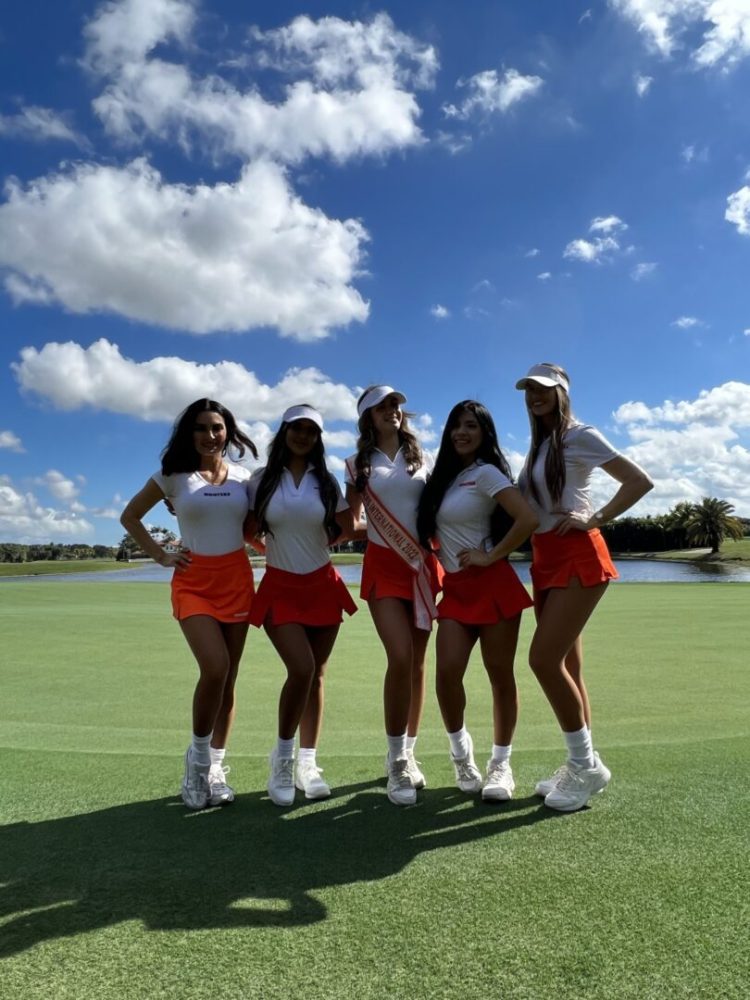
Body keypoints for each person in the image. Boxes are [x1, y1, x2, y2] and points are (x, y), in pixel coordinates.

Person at [515, 363, 653, 811]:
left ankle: (586, 766)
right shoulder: (539, 446)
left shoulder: (580, 435)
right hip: (545, 559)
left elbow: (638, 481)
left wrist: (595, 518)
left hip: (577, 554)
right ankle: (582, 764)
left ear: (562, 394)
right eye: (529, 390)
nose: (535, 396)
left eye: (544, 390)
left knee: (542, 659)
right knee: (569, 669)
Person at [120, 398, 257, 810]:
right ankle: (196, 763)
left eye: (217, 428)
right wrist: (161, 555)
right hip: (194, 583)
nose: (210, 435)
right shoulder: (172, 476)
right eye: (201, 428)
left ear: (227, 432)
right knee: (214, 667)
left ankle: (215, 767)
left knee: (228, 680)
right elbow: (130, 516)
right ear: (189, 433)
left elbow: (252, 529)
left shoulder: (245, 479)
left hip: (237, 579)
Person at [417, 401, 538, 800]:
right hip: (455, 588)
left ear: (484, 433)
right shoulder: (443, 479)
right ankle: (461, 753)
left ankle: (501, 766)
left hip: (493, 584)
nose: (461, 432)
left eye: (470, 426)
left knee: (500, 675)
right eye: (456, 426)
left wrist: (492, 554)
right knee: (447, 672)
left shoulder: (486, 473)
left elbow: (527, 519)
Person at [246, 405, 356, 807]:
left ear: (318, 438)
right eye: (297, 428)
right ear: (285, 431)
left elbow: (347, 526)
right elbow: (245, 528)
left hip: (322, 585)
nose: (303, 436)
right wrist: (269, 548)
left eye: (311, 431)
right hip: (280, 586)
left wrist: (317, 546)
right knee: (302, 668)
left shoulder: (325, 482)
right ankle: (282, 760)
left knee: (317, 676)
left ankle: (307, 763)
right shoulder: (260, 481)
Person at [345, 385, 442, 806]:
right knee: (400, 657)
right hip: (383, 569)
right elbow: (349, 526)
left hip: (422, 567)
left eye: (397, 405)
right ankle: (395, 758)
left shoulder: (426, 459)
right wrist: (384, 532)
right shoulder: (355, 466)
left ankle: (410, 754)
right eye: (383, 406)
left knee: (418, 664)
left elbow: (441, 510)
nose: (393, 411)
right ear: (367, 415)